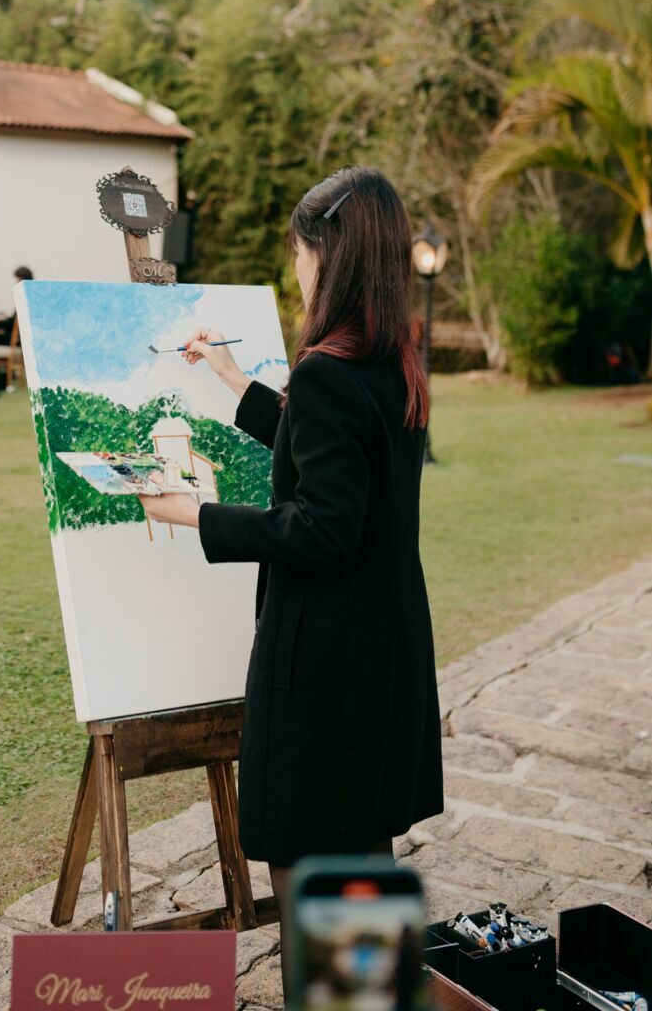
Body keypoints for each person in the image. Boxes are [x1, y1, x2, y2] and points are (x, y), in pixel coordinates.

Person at [138, 166, 443, 1000]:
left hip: (323, 659)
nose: (297, 269)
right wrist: (237, 383)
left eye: (301, 252)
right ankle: (371, 995)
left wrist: (196, 512)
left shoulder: (328, 371)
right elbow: (329, 450)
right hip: (381, 646)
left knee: (306, 852)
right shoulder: (390, 362)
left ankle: (346, 999)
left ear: (328, 255)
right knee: (357, 847)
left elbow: (322, 524)